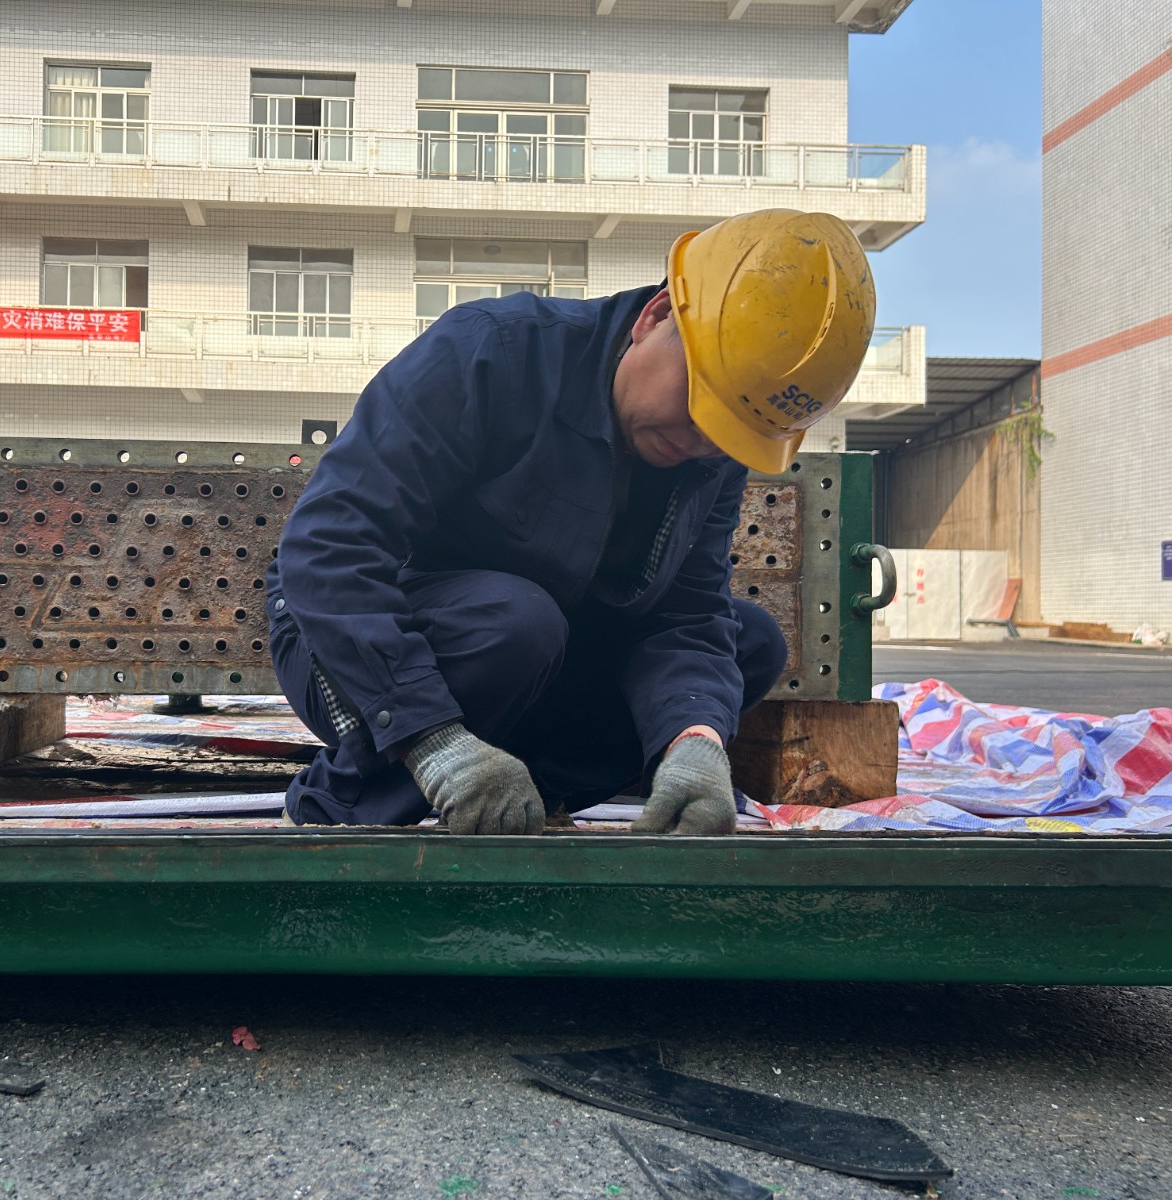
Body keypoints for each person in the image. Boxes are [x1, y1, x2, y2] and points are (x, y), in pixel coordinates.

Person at [265, 208, 876, 834]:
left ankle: (523, 802)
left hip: (533, 651)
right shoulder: (491, 351)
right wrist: (436, 742)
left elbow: (687, 614)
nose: (703, 442)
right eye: (700, 405)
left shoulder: (710, 452)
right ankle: (342, 806)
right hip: (349, 644)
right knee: (515, 621)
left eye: (730, 434)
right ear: (655, 316)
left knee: (748, 643)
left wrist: (695, 740)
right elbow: (331, 548)